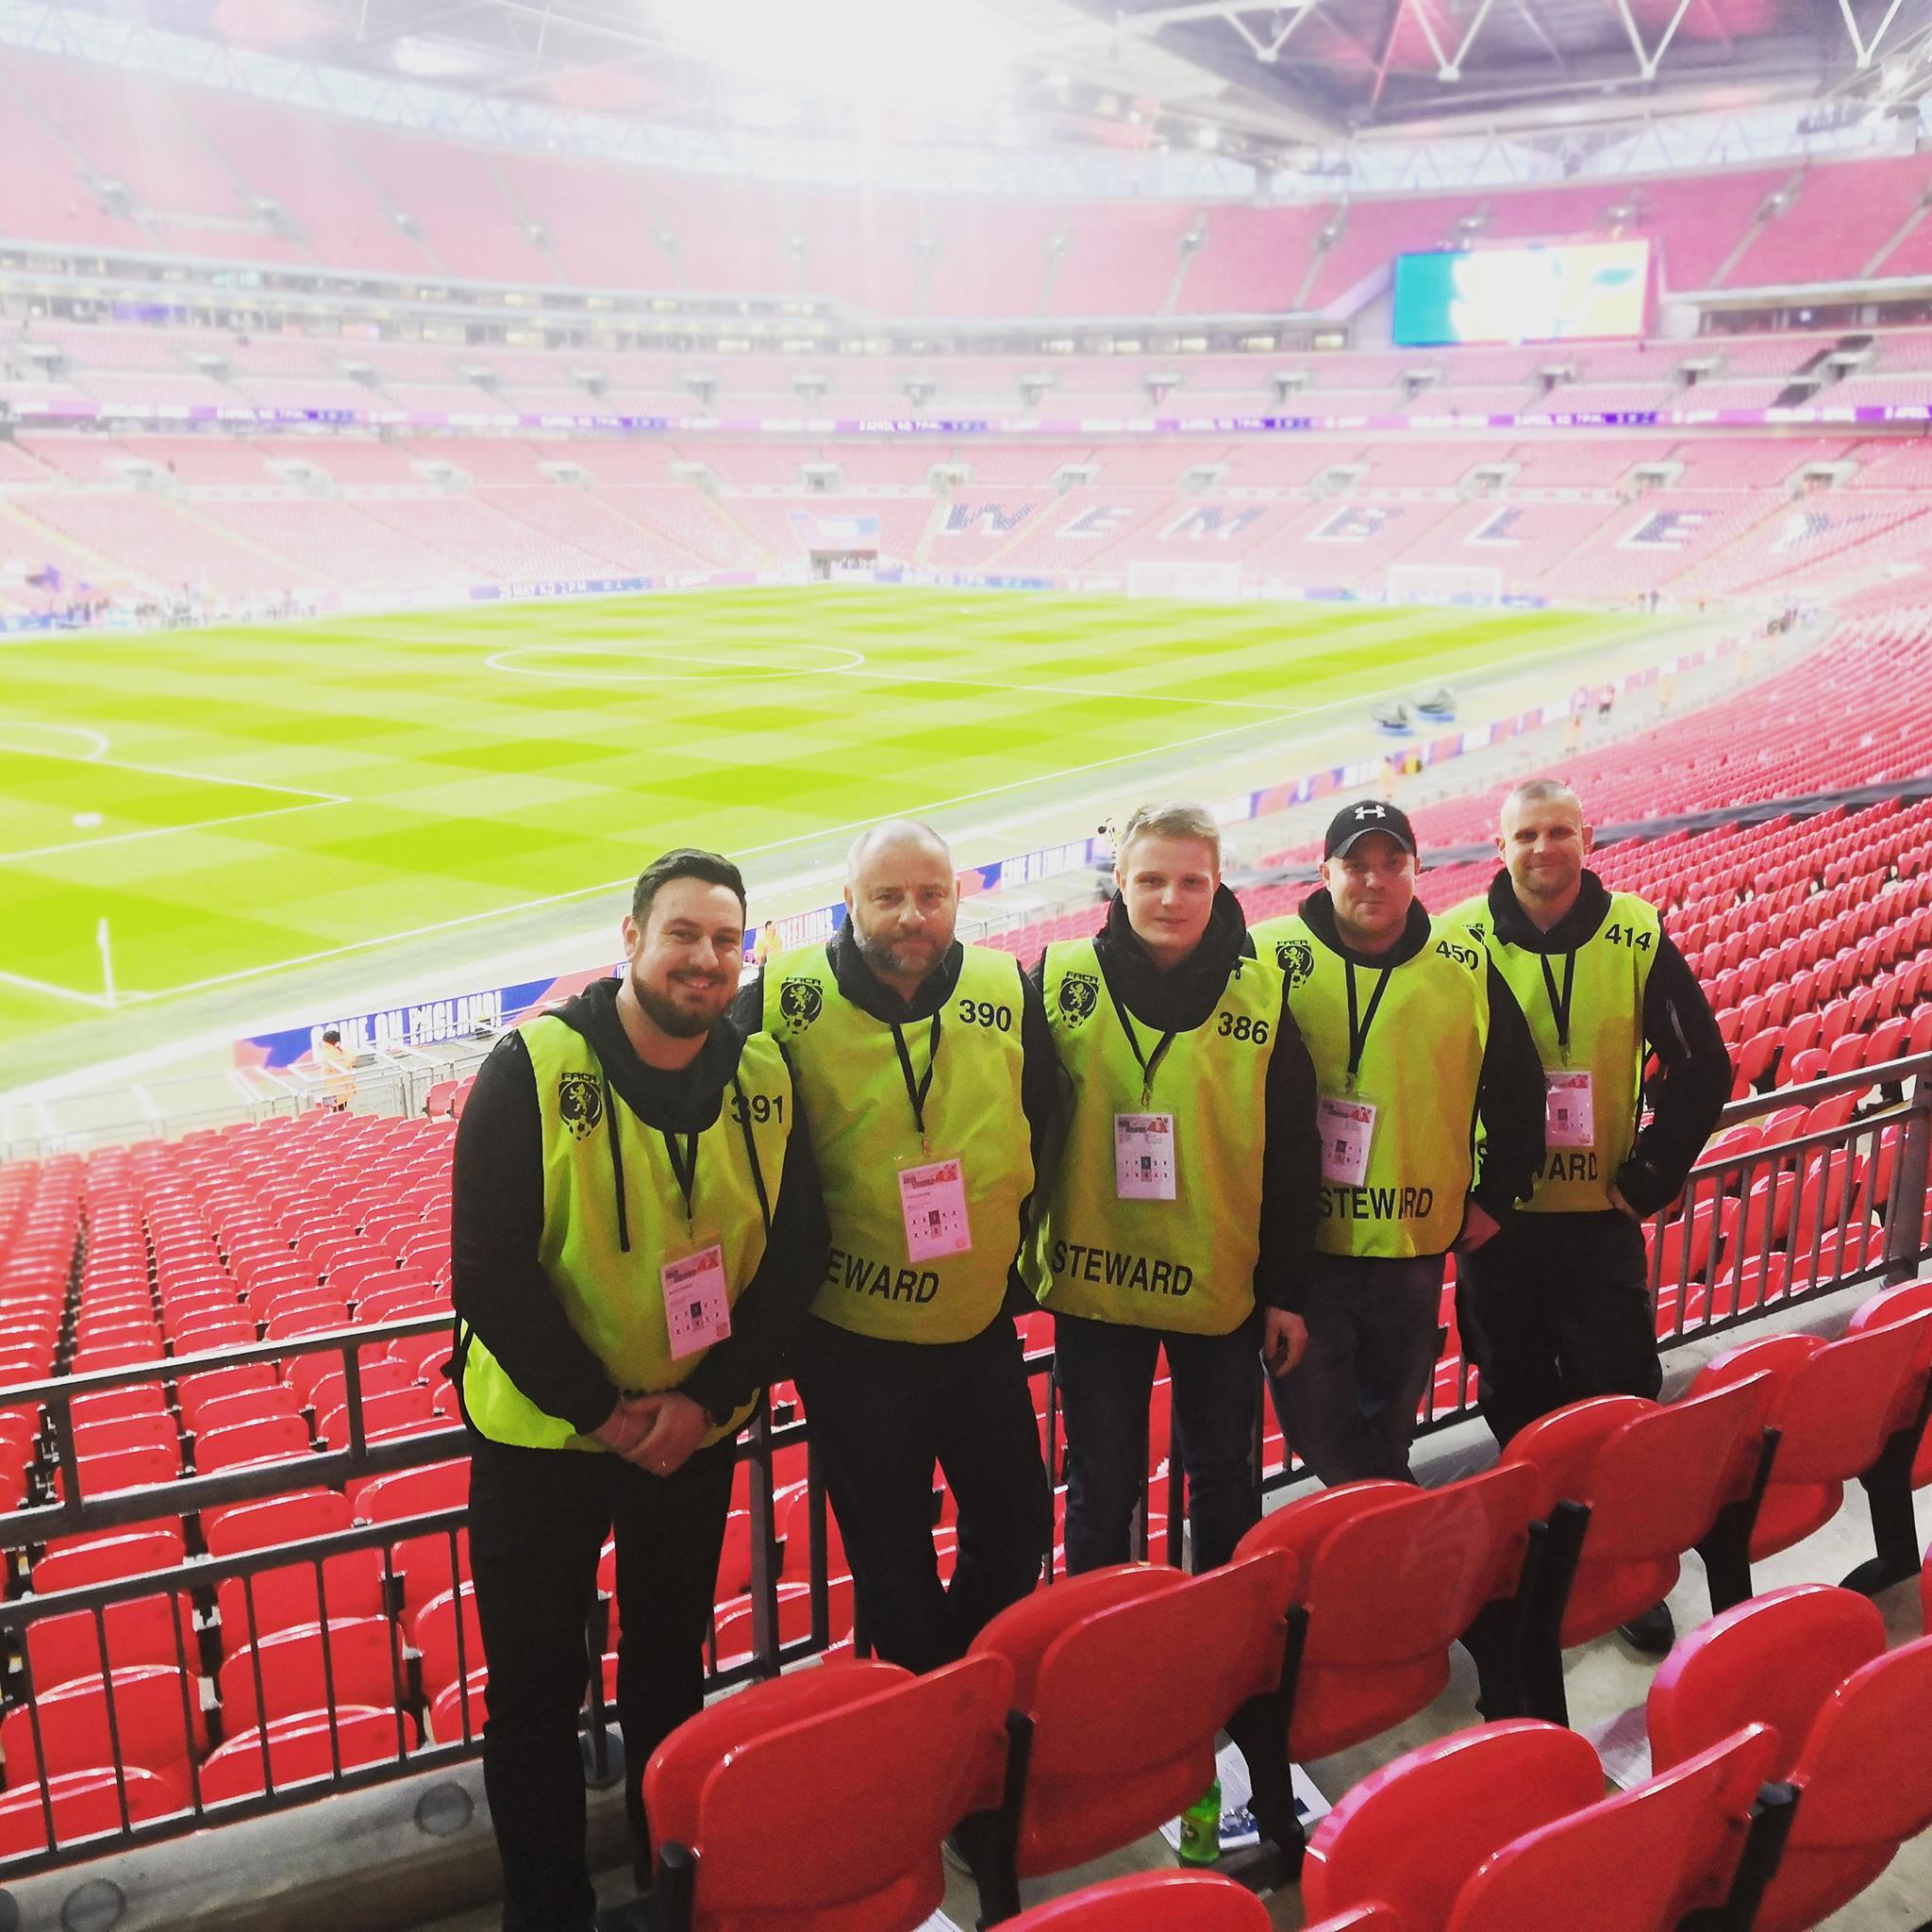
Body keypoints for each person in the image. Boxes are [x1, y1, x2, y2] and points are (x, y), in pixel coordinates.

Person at [450, 848, 827, 1932]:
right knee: (532, 1693)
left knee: (669, 1670)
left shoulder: (762, 1073)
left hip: (691, 1434)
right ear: (630, 938)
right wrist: (608, 1413)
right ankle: (547, 1910)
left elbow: (796, 1253)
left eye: (725, 939)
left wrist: (703, 1402)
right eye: (682, 934)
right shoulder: (530, 1066)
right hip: (544, 1444)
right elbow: (487, 1271)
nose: (705, 958)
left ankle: (673, 1892)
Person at [740, 820, 1054, 1674]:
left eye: (930, 895)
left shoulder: (1003, 986)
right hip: (852, 1343)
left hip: (975, 1325)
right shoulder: (780, 998)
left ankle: (962, 1682)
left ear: (956, 897)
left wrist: (1012, 1258)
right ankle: (938, 1708)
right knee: (891, 1556)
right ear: (849, 901)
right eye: (888, 897)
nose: (912, 915)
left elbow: (1045, 1117)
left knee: (1018, 1521)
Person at [1449, 779, 1728, 1647]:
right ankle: (1543, 1561)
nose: (1544, 848)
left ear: (1588, 838)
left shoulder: (1636, 932)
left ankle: (1623, 1569)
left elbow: (1704, 1067)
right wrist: (1463, 1199)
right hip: (1499, 1223)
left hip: (1599, 1218)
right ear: (1500, 847)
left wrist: (1647, 1177)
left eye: (1559, 831)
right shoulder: (1457, 938)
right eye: (1527, 834)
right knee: (1517, 1395)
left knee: (1620, 1390)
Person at [1025, 802, 1320, 1577]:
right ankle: (1100, 1635)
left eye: (1192, 882)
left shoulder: (1263, 995)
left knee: (1223, 1479)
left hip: (1218, 1289)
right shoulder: (1058, 978)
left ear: (1218, 883)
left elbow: (1294, 1153)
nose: (1170, 899)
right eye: (1151, 879)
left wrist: (1286, 1291)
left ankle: (1221, 1630)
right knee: (1100, 1488)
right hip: (1096, 1289)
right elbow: (1017, 1130)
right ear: (1119, 879)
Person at [1252, 800, 1544, 1487]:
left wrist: (1497, 1195)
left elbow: (1519, 1084)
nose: (1374, 879)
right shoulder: (1265, 956)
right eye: (1356, 864)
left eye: (1392, 863)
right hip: (1305, 1252)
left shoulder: (1463, 961)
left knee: (1388, 1429)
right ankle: (1412, 1524)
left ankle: (1389, 1538)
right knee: (1324, 1432)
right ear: (1325, 872)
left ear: (1417, 869)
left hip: (1412, 1249)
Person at [315, 1025, 357, 1111]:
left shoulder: (327, 1051)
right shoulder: (334, 1053)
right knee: (338, 1111)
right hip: (338, 1089)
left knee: (338, 1110)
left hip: (334, 1088)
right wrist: (342, 1049)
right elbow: (352, 1057)